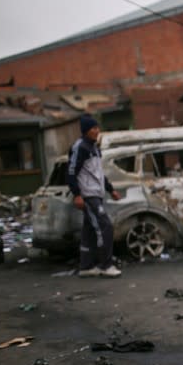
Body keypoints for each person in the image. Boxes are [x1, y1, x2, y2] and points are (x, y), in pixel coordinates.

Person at [67, 114, 122, 278]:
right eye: (93, 128)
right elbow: (71, 172)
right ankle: (106, 265)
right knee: (105, 227)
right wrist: (77, 194)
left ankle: (86, 266)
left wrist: (110, 189)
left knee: (89, 230)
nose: (97, 131)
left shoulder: (94, 148)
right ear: (85, 131)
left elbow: (98, 173)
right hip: (88, 195)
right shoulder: (80, 147)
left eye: (97, 127)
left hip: (96, 194)